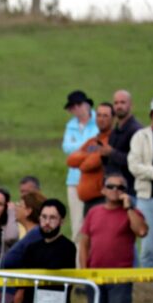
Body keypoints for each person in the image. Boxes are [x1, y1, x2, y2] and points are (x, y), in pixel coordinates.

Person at [79, 173, 149, 303]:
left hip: (119, 279)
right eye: (110, 186)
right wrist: (84, 273)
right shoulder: (94, 212)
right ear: (103, 190)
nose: (115, 191)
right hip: (96, 279)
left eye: (120, 188)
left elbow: (142, 231)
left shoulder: (132, 213)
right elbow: (84, 243)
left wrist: (128, 208)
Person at [128, 96, 153, 268]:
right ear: (152, 114)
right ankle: (149, 289)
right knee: (148, 247)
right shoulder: (141, 136)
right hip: (147, 198)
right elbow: (134, 164)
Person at [61, 90, 98, 234]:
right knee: (77, 225)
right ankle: (78, 256)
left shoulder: (98, 120)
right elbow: (66, 147)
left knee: (95, 223)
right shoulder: (71, 126)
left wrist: (79, 150)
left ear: (87, 104)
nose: (77, 108)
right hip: (75, 179)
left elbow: (99, 145)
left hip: (95, 178)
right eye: (73, 106)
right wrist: (86, 147)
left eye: (79, 104)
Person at [67, 102, 114, 212]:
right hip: (88, 201)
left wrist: (84, 158)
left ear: (113, 118)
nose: (101, 119)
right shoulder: (92, 141)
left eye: (105, 116)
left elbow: (88, 165)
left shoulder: (112, 140)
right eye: (98, 115)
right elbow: (71, 160)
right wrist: (91, 154)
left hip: (102, 198)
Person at [103, 90, 142, 193]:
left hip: (129, 189)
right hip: (113, 188)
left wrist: (111, 152)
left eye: (122, 102)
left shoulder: (136, 130)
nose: (119, 106)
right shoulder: (115, 129)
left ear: (131, 105)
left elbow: (137, 161)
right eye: (116, 103)